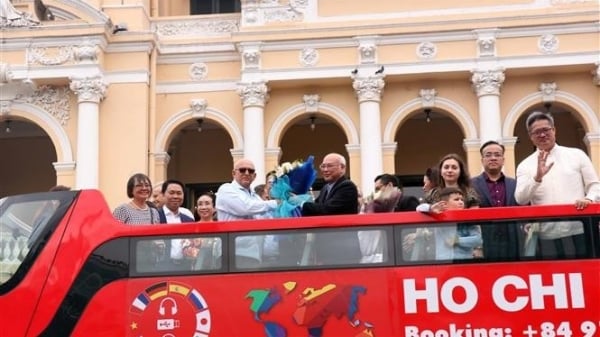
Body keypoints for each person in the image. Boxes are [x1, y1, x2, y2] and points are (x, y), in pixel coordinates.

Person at [515, 111, 600, 258]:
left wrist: (589, 199)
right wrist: (537, 178)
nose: (542, 135)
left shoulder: (576, 155)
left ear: (554, 130)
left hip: (579, 227)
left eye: (546, 130)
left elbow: (595, 185)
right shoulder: (525, 165)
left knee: (585, 274)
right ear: (530, 136)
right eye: (537, 132)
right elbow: (520, 199)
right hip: (546, 233)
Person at [216, 158, 279, 267]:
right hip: (231, 254)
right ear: (233, 173)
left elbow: (267, 220)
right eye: (242, 170)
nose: (246, 173)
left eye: (250, 171)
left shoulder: (255, 197)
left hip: (254, 256)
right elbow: (245, 207)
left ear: (254, 176)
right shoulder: (226, 189)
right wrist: (276, 203)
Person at [301, 153, 361, 265]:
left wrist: (301, 204)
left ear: (342, 168)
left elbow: (326, 210)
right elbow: (315, 208)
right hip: (326, 250)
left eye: (329, 166)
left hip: (344, 251)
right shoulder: (325, 188)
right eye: (323, 166)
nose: (325, 170)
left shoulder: (347, 186)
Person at [472, 140, 520, 259]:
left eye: (497, 155)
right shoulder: (470, 184)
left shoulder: (515, 184)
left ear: (503, 160)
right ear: (482, 160)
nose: (493, 158)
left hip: (513, 240)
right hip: (484, 241)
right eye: (488, 155)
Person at [417, 187, 483, 260]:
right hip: (443, 264)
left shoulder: (468, 220)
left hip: (464, 263)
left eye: (462, 200)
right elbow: (419, 208)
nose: (461, 202)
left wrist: (457, 240)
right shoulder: (438, 216)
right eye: (456, 199)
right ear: (444, 203)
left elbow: (478, 240)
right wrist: (431, 208)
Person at [156, 179, 195, 270]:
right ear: (163, 195)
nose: (175, 196)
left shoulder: (188, 220)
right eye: (171, 192)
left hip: (185, 267)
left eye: (179, 193)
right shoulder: (155, 217)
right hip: (160, 268)